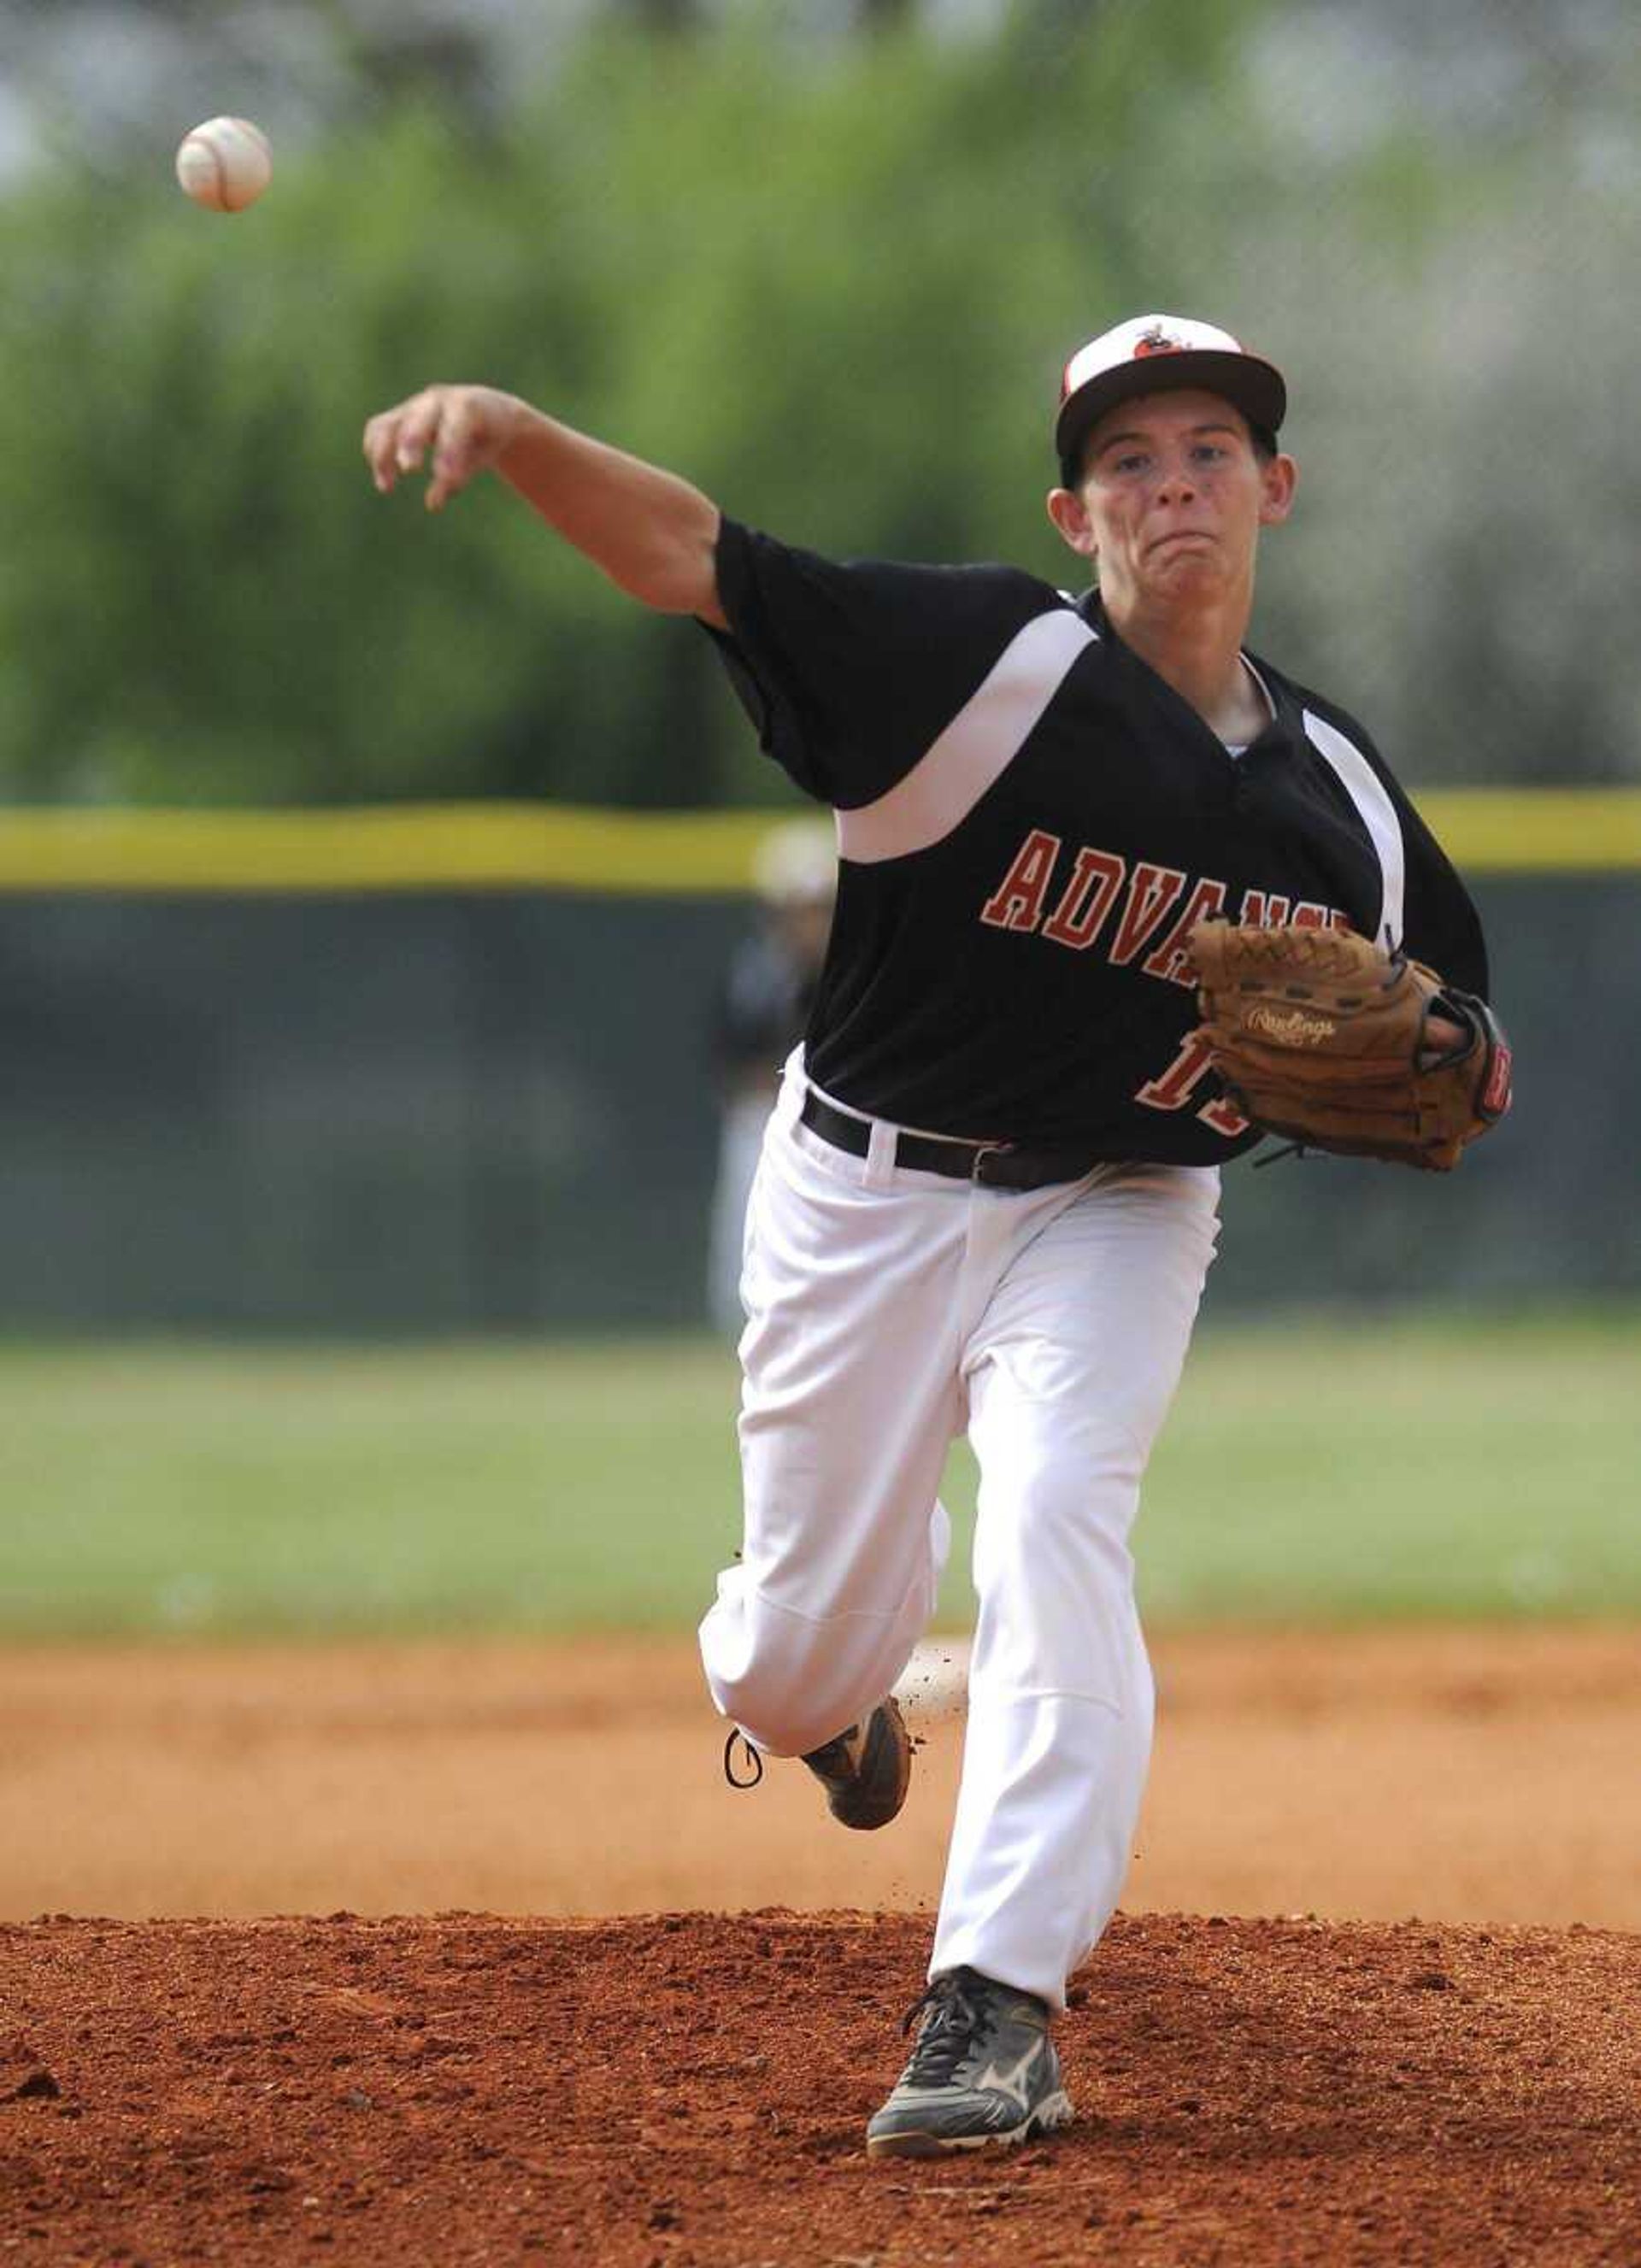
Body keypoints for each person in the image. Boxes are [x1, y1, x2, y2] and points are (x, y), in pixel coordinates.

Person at [363, 313, 1492, 2158]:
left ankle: (997, 2004)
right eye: (1129, 460)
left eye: (1210, 447)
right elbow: (695, 559)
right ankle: (840, 1703)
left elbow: (1457, 1025)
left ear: (1274, 489)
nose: (1175, 484)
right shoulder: (975, 662)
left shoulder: (1338, 801)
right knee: (791, 1656)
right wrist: (514, 430)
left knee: (1060, 1513)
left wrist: (1466, 1059)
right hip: (865, 1189)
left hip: (1120, 1201)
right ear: (1076, 512)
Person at [705, 819, 835, 1336]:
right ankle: (739, 1334)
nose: (809, 921)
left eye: (821, 907)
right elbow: (727, 1054)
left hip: (829, 1128)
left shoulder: (851, 972)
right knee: (744, 1238)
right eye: (801, 908)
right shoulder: (754, 974)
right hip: (760, 1119)